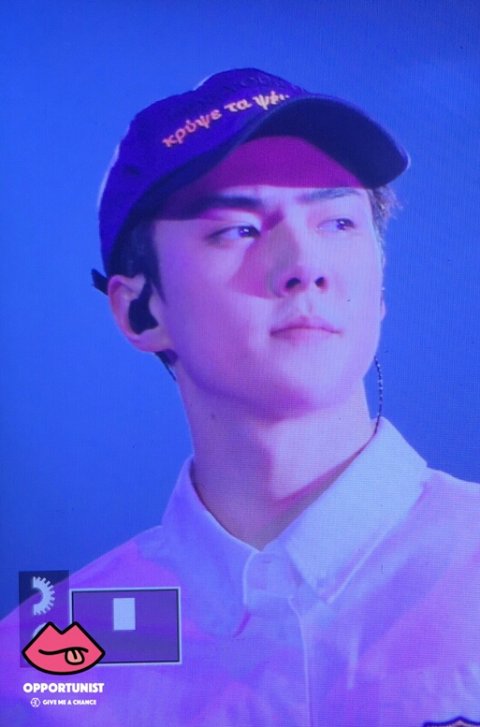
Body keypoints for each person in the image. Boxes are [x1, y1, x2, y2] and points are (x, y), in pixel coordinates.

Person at [2, 68, 479, 727]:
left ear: (379, 287)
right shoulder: (40, 663)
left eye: (339, 222)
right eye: (238, 230)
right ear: (140, 310)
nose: (306, 265)